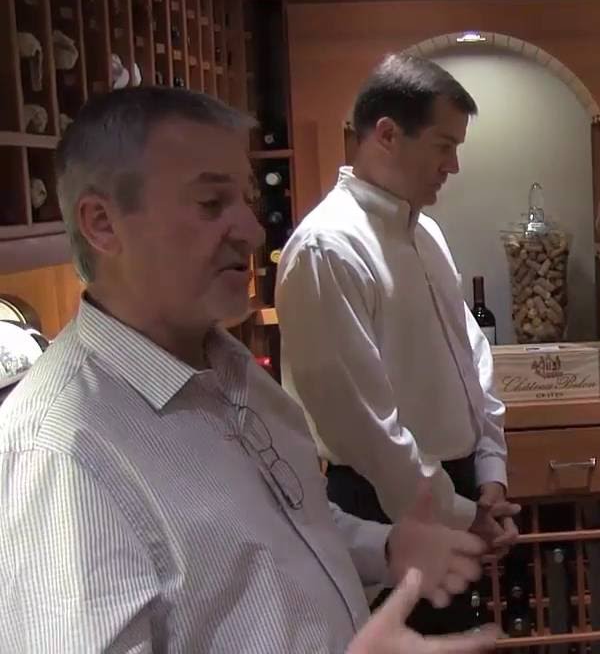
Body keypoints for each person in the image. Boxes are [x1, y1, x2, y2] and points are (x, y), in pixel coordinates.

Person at [0, 86, 498, 653]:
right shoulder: (58, 455)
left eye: (245, 202)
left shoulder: (233, 375)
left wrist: (386, 549)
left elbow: (284, 529)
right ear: (102, 223)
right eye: (211, 204)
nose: (252, 231)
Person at [275, 54, 519, 636]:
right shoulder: (327, 249)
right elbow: (366, 428)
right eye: (443, 145)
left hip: (453, 493)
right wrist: (464, 513)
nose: (453, 165)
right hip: (384, 505)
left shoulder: (426, 232)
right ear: (386, 133)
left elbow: (471, 359)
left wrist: (490, 471)